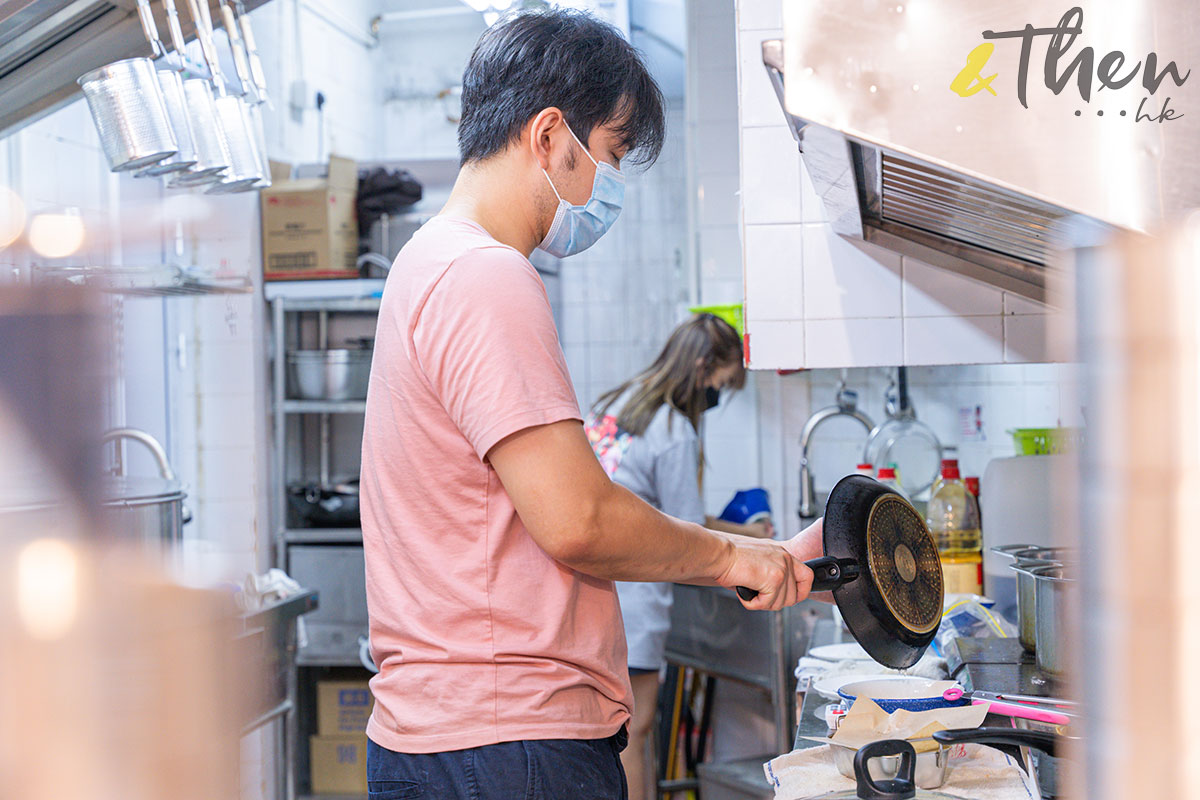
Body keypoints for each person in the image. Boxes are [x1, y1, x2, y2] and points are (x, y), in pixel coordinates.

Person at [360, 9, 825, 799]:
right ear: (548, 137)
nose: (605, 188)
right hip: (509, 741)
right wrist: (734, 556)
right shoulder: (486, 275)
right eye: (607, 156)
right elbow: (578, 518)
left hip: (449, 736)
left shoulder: (424, 263)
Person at [585, 313, 773, 800]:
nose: (717, 395)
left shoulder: (618, 405)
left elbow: (662, 511)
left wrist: (743, 533)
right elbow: (687, 535)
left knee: (604, 733)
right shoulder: (673, 430)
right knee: (635, 729)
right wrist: (755, 551)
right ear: (701, 366)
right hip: (635, 600)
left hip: (588, 591)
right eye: (721, 383)